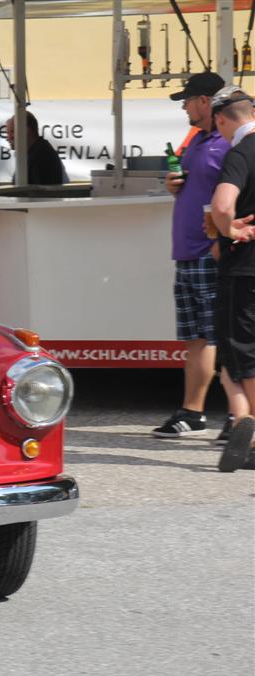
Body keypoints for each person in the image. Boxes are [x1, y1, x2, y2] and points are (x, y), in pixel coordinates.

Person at [151, 71, 231, 439]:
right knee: (196, 338)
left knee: (225, 336)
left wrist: (222, 240)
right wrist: (173, 185)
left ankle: (239, 414)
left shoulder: (231, 141)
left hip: (210, 252)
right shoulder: (197, 140)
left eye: (187, 99)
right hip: (187, 252)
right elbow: (195, 187)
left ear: (205, 101)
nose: (183, 105)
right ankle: (192, 412)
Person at [208, 85, 255, 470]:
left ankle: (251, 430)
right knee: (234, 356)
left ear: (222, 119)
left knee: (240, 352)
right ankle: (242, 423)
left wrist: (229, 230)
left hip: (246, 269)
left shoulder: (241, 152)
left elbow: (223, 206)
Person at [4, 111, 67, 185]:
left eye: (12, 132)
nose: (8, 138)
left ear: (25, 130)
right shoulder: (34, 152)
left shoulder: (41, 155)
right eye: (7, 133)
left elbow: (40, 193)